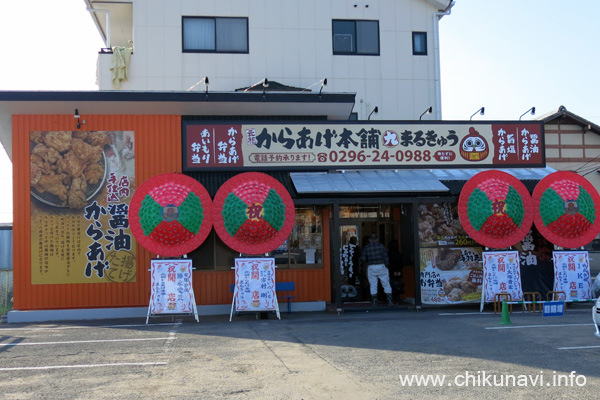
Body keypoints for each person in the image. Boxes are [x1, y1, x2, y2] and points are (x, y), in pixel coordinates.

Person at [360, 233, 393, 306]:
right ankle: (390, 300)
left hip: (371, 266)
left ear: (369, 240)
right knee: (386, 283)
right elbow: (386, 257)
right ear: (377, 239)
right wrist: (386, 266)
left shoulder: (366, 248)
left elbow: (363, 259)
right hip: (381, 266)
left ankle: (374, 301)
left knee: (373, 284)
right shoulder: (381, 246)